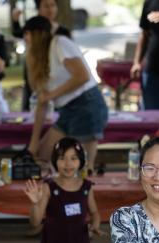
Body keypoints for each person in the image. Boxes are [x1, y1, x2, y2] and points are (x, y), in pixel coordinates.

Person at [23, 15, 108, 173]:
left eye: (27, 34)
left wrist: (51, 95)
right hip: (67, 110)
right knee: (43, 156)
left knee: (82, 169)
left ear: (37, 34)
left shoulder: (59, 43)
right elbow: (42, 102)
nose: (25, 40)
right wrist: (32, 145)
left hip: (86, 105)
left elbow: (82, 76)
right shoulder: (40, 62)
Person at [24, 137, 102, 243]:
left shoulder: (86, 187)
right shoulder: (49, 187)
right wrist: (34, 203)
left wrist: (95, 226)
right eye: (62, 158)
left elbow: (94, 213)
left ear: (81, 161)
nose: (68, 164)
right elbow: (35, 221)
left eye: (73, 158)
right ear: (55, 161)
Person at [11, 0, 71, 111]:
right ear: (39, 8)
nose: (50, 9)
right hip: (34, 76)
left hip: (53, 78)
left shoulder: (62, 33)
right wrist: (15, 21)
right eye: (46, 6)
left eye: (53, 5)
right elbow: (18, 32)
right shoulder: (33, 26)